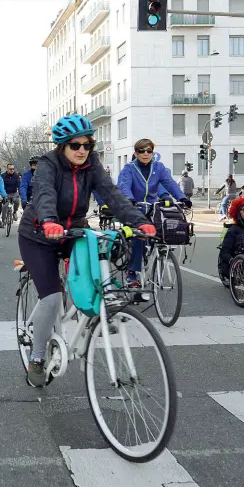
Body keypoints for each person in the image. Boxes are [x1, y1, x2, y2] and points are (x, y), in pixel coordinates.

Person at [18, 114, 156, 387]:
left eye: (87, 145)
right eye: (74, 145)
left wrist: (140, 221)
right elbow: (44, 192)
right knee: (52, 297)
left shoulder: (91, 164)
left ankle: (99, 314)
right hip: (39, 235)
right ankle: (36, 358)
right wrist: (48, 221)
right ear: (61, 147)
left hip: (74, 231)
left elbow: (111, 194)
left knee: (98, 268)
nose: (82, 150)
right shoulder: (48, 164)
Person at [118, 138, 192, 287]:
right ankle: (131, 273)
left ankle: (151, 254)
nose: (145, 154)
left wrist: (182, 198)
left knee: (162, 232)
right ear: (136, 153)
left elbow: (169, 183)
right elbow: (124, 185)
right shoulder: (129, 168)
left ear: (153, 152)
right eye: (141, 151)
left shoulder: (158, 168)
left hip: (152, 209)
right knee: (138, 237)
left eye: (149, 151)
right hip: (134, 209)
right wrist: (129, 199)